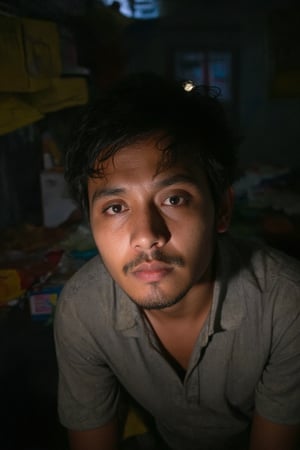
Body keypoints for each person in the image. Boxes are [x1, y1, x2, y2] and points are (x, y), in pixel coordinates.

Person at [54, 72, 300, 450]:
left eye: (174, 199)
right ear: (91, 223)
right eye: (115, 207)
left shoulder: (285, 303)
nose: (146, 235)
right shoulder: (82, 309)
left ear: (221, 209)